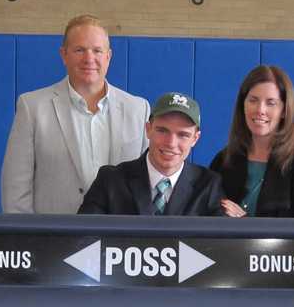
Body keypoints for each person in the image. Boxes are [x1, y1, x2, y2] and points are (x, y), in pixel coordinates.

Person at [1, 14, 150, 214]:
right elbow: (15, 187)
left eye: (97, 50)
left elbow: (147, 184)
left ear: (108, 56)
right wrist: (27, 240)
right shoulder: (32, 107)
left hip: (119, 240)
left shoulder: (138, 109)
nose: (89, 58)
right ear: (64, 55)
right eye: (79, 50)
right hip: (55, 238)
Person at [78, 92, 224, 216]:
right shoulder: (110, 181)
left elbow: (224, 244)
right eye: (162, 130)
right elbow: (81, 239)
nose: (171, 143)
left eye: (183, 135)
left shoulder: (208, 186)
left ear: (195, 138)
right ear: (148, 129)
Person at [209, 65, 294, 218]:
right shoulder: (223, 160)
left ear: (284, 110)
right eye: (253, 100)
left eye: (271, 103)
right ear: (242, 105)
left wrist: (246, 223)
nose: (260, 110)